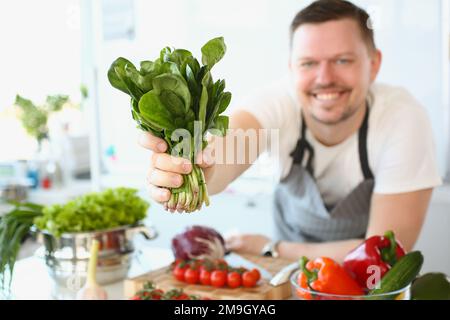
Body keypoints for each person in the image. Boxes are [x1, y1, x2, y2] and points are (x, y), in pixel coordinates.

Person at [139, 0, 442, 262]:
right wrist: (193, 172)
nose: (325, 78)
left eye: (342, 60)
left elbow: (385, 254)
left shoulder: (403, 119)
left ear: (374, 64)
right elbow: (225, 153)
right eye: (308, 63)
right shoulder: (277, 104)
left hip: (372, 285)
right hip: (288, 282)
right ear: (291, 68)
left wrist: (271, 248)